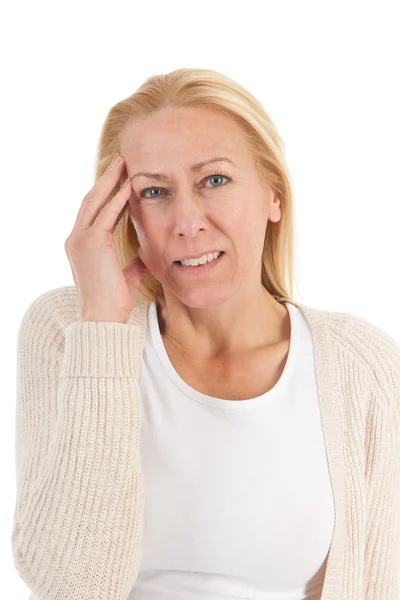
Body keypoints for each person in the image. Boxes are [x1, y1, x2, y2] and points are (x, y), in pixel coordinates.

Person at [11, 68, 400, 600]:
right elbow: (72, 585)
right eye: (153, 191)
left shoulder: (362, 365)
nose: (186, 221)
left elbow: (379, 583)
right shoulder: (68, 330)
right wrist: (100, 328)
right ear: (121, 216)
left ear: (274, 196)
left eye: (214, 180)